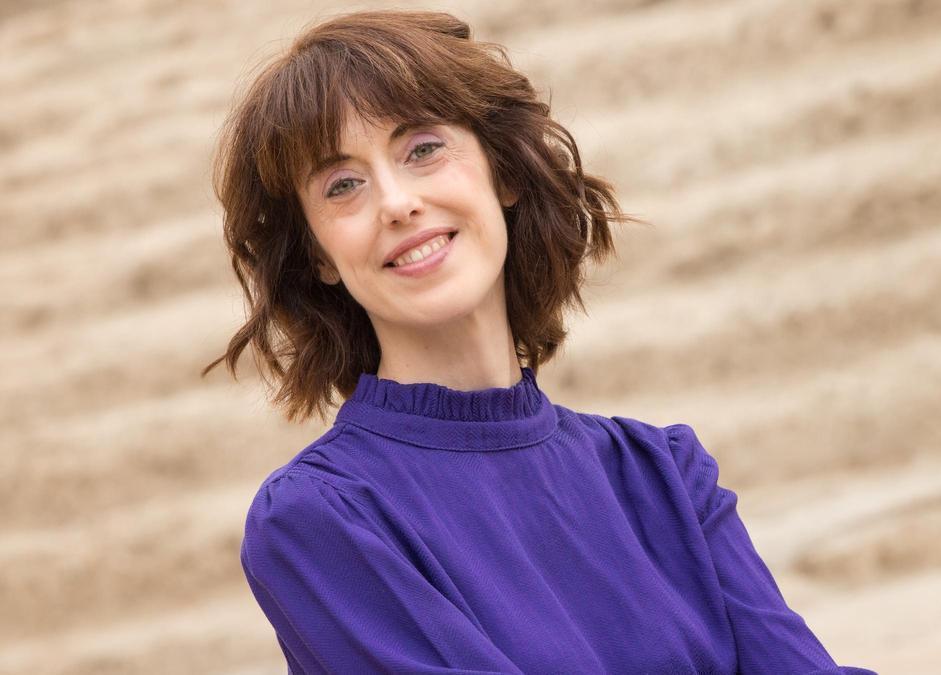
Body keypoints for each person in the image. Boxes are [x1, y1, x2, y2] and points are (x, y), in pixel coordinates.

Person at [202, 9, 877, 675]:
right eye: (342, 184)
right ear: (319, 255)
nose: (397, 202)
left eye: (422, 149)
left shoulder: (664, 473)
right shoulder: (321, 520)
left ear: (506, 174)